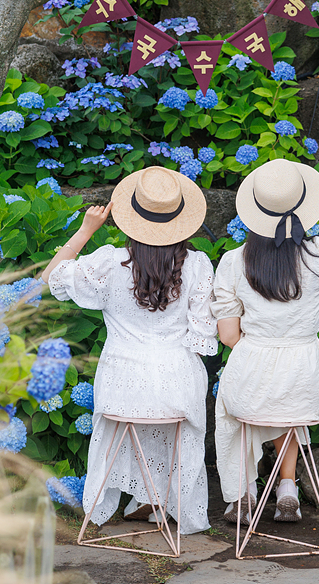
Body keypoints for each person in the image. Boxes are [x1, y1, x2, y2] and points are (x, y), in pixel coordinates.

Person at [41, 165, 218, 534]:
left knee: (135, 416)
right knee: (168, 418)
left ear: (130, 218)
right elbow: (203, 335)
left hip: (120, 382)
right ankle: (159, 501)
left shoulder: (108, 261)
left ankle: (141, 500)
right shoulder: (199, 265)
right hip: (179, 378)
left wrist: (86, 229)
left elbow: (51, 277)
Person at [212, 158, 319, 523]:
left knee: (238, 410)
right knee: (287, 409)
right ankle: (287, 487)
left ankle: (242, 494)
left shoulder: (233, 260)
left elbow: (228, 336)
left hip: (252, 362)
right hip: (305, 369)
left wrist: (261, 343)